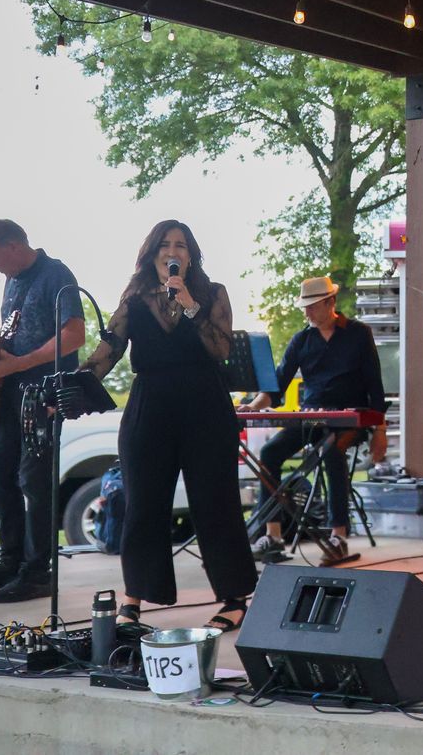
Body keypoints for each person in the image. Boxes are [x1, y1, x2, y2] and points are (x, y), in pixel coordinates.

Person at [80, 220, 256, 631]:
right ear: (152, 253)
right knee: (142, 504)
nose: (172, 251)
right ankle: (134, 598)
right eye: (164, 244)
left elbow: (221, 347)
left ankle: (234, 598)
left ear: (191, 255)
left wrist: (190, 304)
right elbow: (109, 349)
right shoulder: (135, 297)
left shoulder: (212, 293)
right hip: (150, 404)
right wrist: (75, 387)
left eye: (180, 245)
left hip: (205, 404)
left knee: (215, 502)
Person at [0, 219, 85, 603]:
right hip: (12, 392)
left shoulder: (56, 274)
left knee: (34, 479)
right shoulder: (12, 281)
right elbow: (12, 338)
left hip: (43, 393)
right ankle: (12, 562)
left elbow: (74, 335)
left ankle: (37, 573)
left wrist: (19, 364)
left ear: (14, 246)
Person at [240, 275, 387, 565]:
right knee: (270, 452)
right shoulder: (301, 340)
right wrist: (254, 406)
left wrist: (380, 429)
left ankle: (338, 537)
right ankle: (273, 537)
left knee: (331, 450)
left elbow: (375, 384)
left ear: (331, 302)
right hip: (312, 418)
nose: (306, 312)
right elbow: (277, 384)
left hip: (350, 421)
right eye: (304, 306)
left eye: (312, 306)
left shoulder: (359, 333)